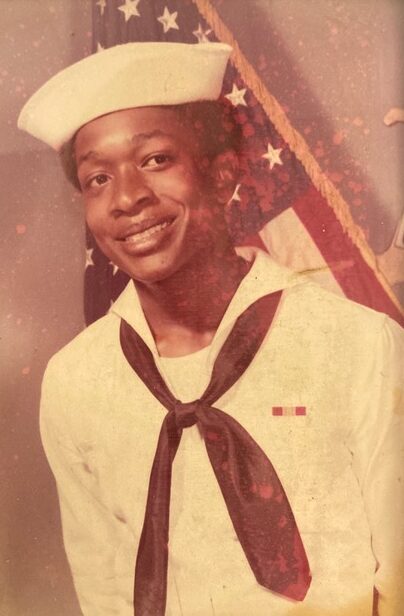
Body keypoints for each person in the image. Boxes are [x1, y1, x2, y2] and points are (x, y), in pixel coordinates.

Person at [18, 42, 404, 616]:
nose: (127, 198)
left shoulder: (356, 343)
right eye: (97, 178)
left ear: (223, 176)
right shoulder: (77, 381)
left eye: (155, 160)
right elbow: (105, 587)